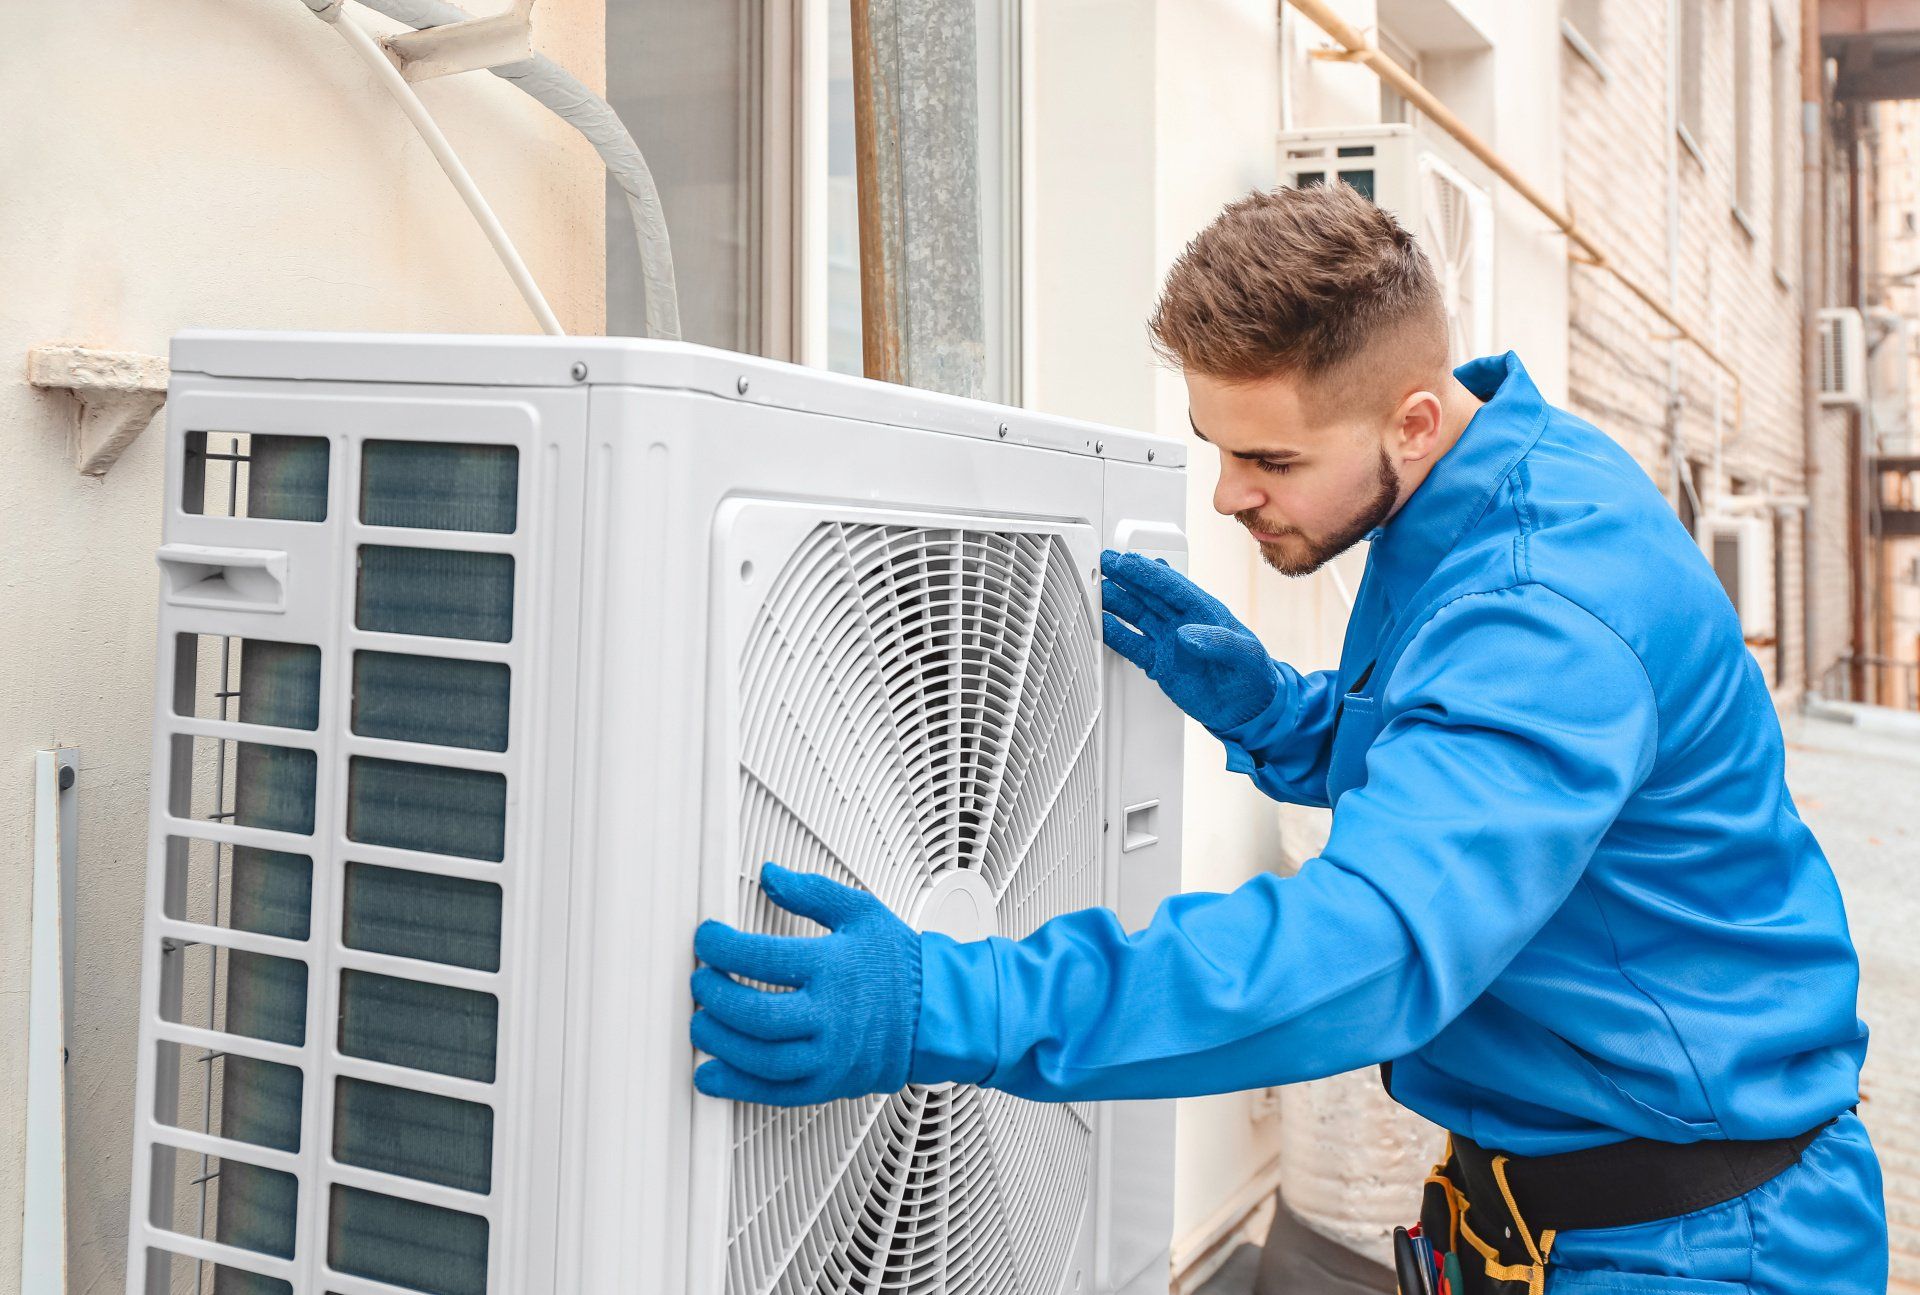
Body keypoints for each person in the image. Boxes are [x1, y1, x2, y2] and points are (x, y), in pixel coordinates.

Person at [687, 184, 1886, 1293]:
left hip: (1702, 1247)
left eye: (1269, 459)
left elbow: (1368, 949)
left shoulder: (1543, 602)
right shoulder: (1481, 478)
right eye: (1219, 446)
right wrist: (1279, 710)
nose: (1227, 495)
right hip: (1559, 1209)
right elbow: (1471, 771)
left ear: (1412, 422)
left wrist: (959, 999)